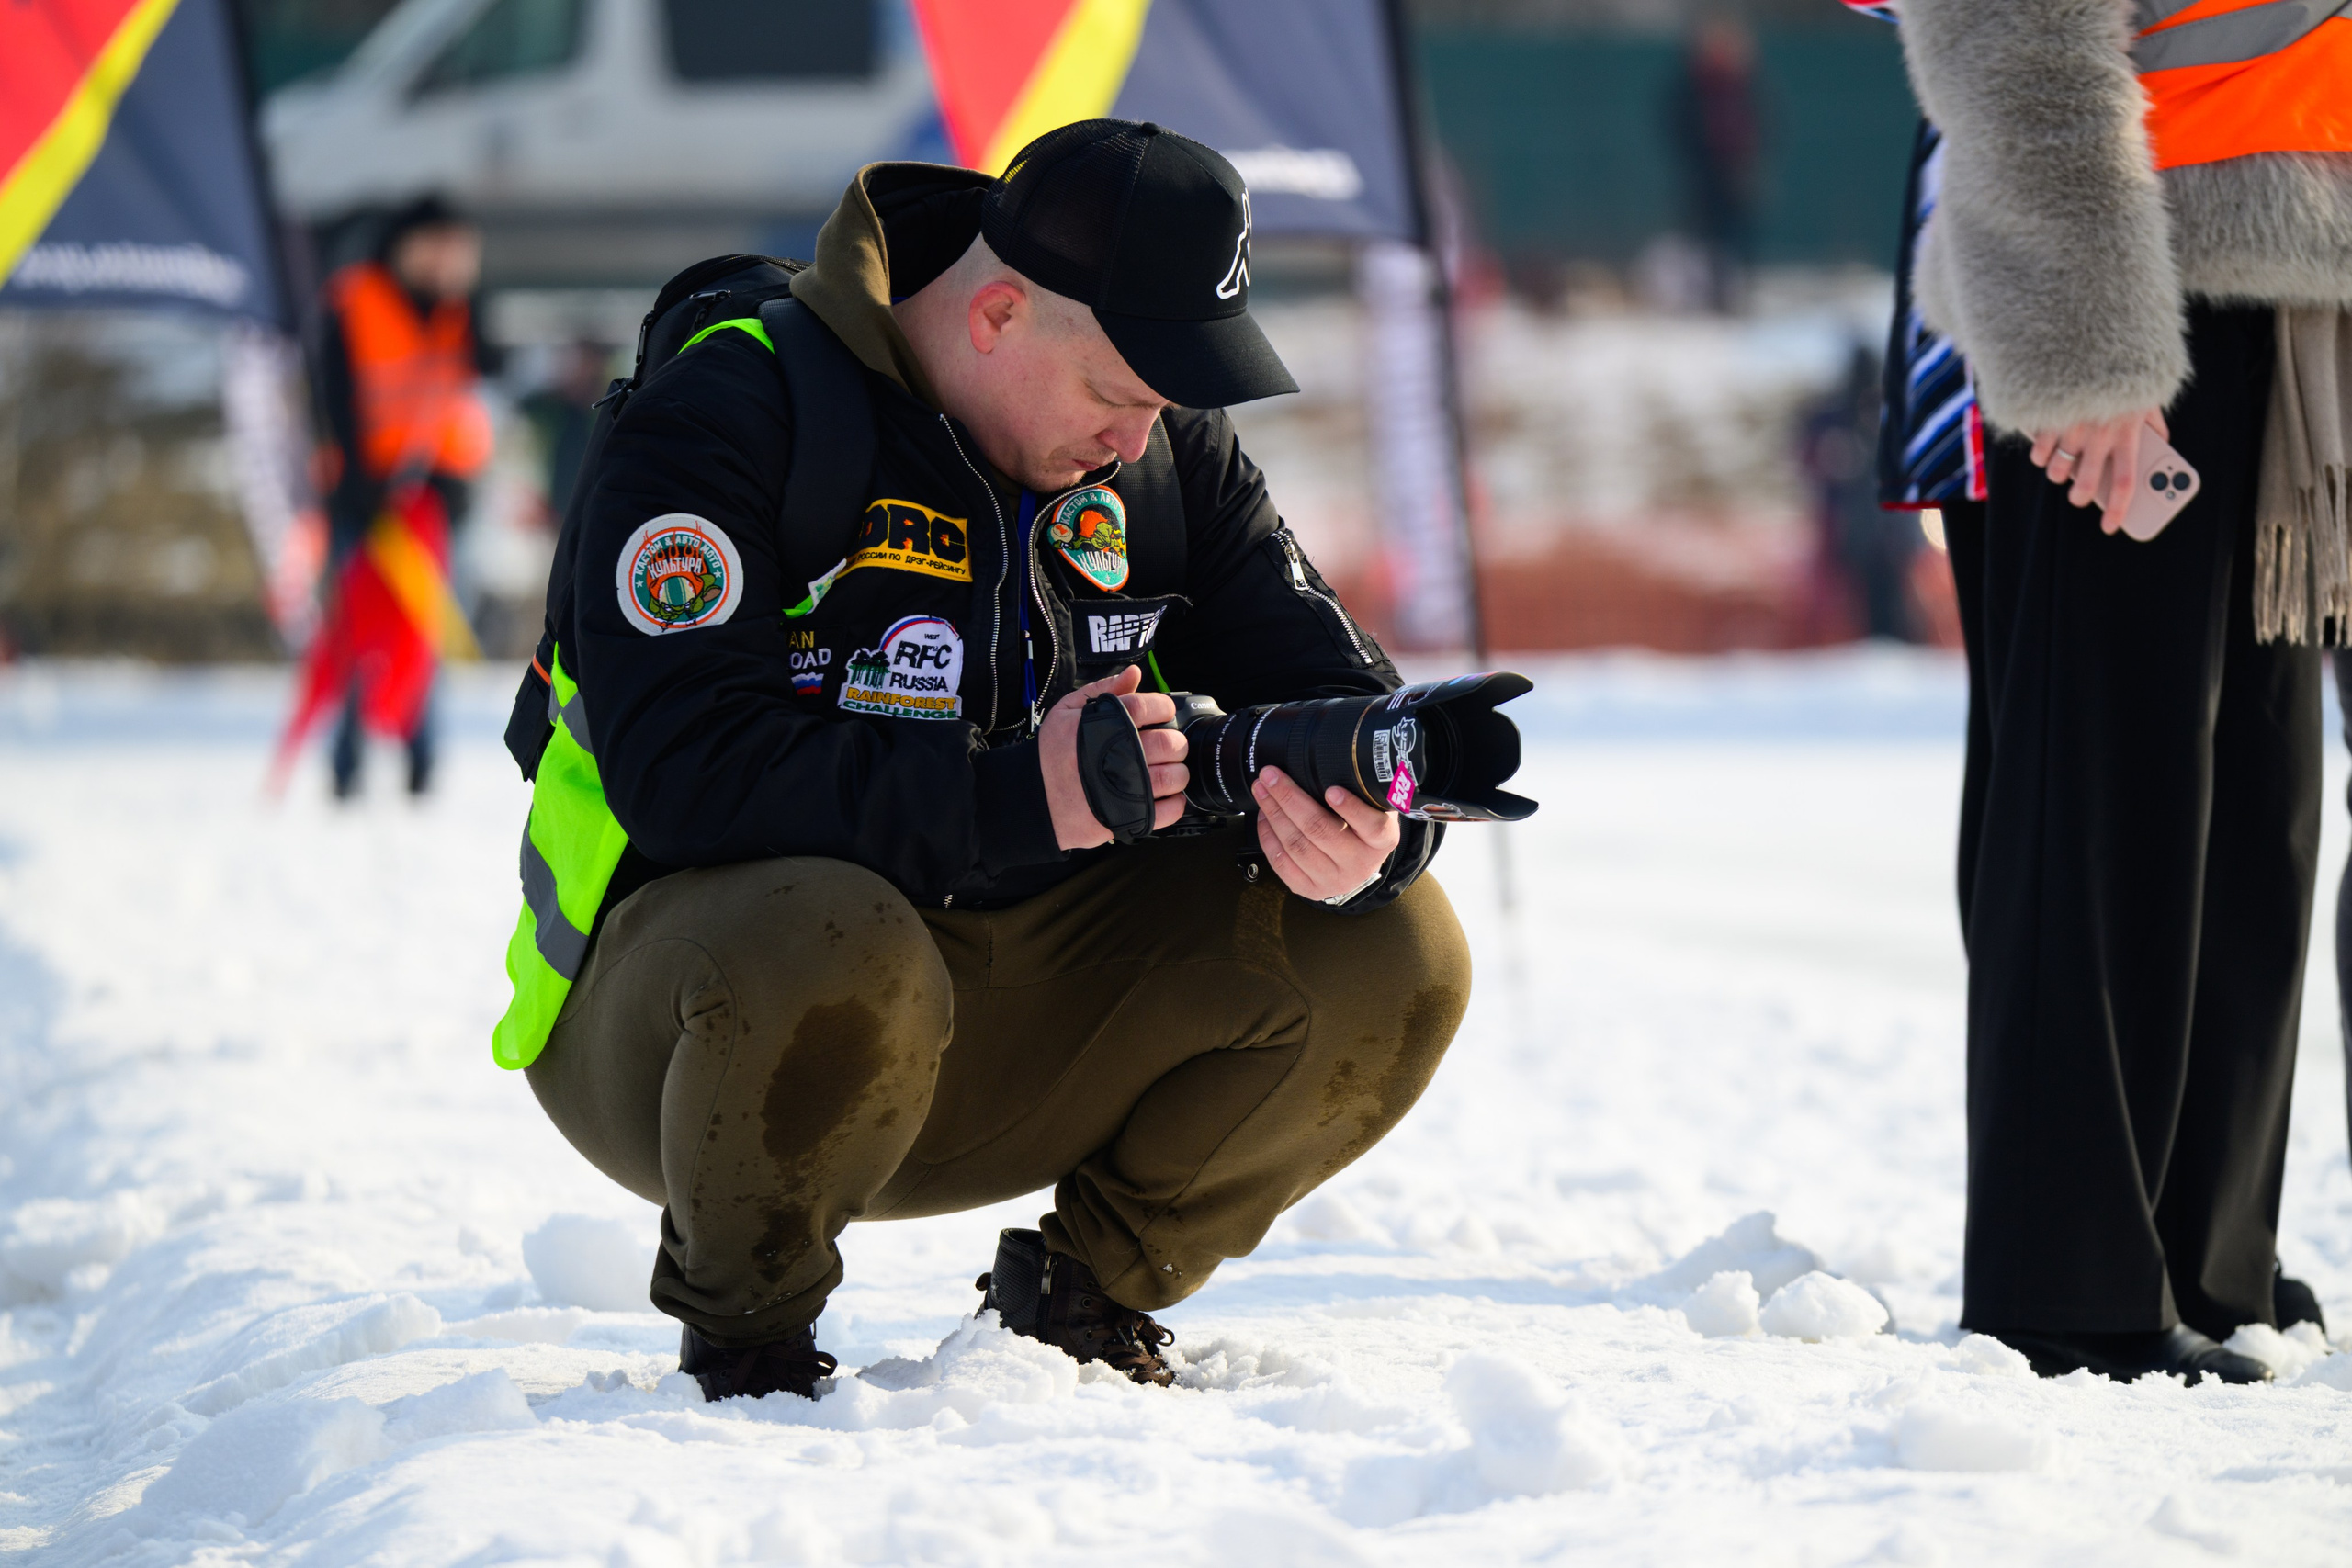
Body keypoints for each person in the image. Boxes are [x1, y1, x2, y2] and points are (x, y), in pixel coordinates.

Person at [492, 121, 1471, 1400]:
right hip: (691, 1031)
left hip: (1005, 1013)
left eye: (1169, 403)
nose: (1137, 442)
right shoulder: (737, 404)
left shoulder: (1161, 448)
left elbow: (1343, 693)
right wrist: (1017, 794)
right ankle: (748, 1339)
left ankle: (1082, 1302)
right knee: (834, 933)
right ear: (1000, 310)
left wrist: (1379, 819)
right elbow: (685, 769)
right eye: (1121, 395)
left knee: (1395, 945)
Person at [1901, 0, 2352, 1382]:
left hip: (2283, 291)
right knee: (2105, 791)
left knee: (2253, 799)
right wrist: (2086, 346)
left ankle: (2202, 1253)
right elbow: (2013, 45)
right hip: (2123, 299)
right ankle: (2070, 1283)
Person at [311, 194, 495, 797]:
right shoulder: (354, 299)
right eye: (440, 247)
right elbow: (331, 398)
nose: (451, 262)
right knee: (356, 631)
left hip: (433, 502)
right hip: (361, 497)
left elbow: (473, 391)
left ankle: (421, 760)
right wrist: (358, 486)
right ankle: (347, 760)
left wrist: (454, 482)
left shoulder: (460, 310)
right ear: (407, 245)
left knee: (427, 630)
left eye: (459, 251)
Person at [1667, 16, 1764, 314]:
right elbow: (1677, 123)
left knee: (1738, 235)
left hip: (1736, 170)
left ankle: (1737, 294)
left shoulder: (1743, 85)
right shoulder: (1693, 85)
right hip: (1704, 171)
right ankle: (1707, 296)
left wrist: (1750, 159)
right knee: (1704, 237)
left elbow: (1761, 123)